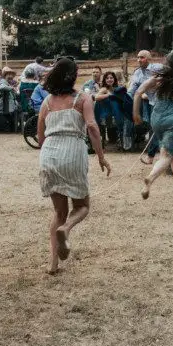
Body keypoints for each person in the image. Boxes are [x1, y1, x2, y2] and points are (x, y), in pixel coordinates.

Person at [36, 58, 110, 275]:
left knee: (59, 211)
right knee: (82, 205)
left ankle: (53, 264)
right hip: (73, 151)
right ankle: (66, 229)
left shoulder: (47, 102)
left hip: (49, 153)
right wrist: (101, 157)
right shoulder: (82, 98)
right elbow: (93, 128)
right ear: (74, 75)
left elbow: (40, 135)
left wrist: (48, 152)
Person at [133, 51, 173, 199]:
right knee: (167, 155)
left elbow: (138, 92)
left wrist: (136, 114)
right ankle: (150, 178)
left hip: (157, 119)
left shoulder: (158, 79)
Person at [129, 50, 161, 164]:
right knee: (154, 127)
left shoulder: (158, 68)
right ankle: (152, 156)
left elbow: (172, 77)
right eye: (138, 57)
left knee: (156, 127)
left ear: (149, 58)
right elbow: (132, 90)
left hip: (165, 101)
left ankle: (153, 156)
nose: (139, 60)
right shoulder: (137, 73)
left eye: (142, 57)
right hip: (152, 102)